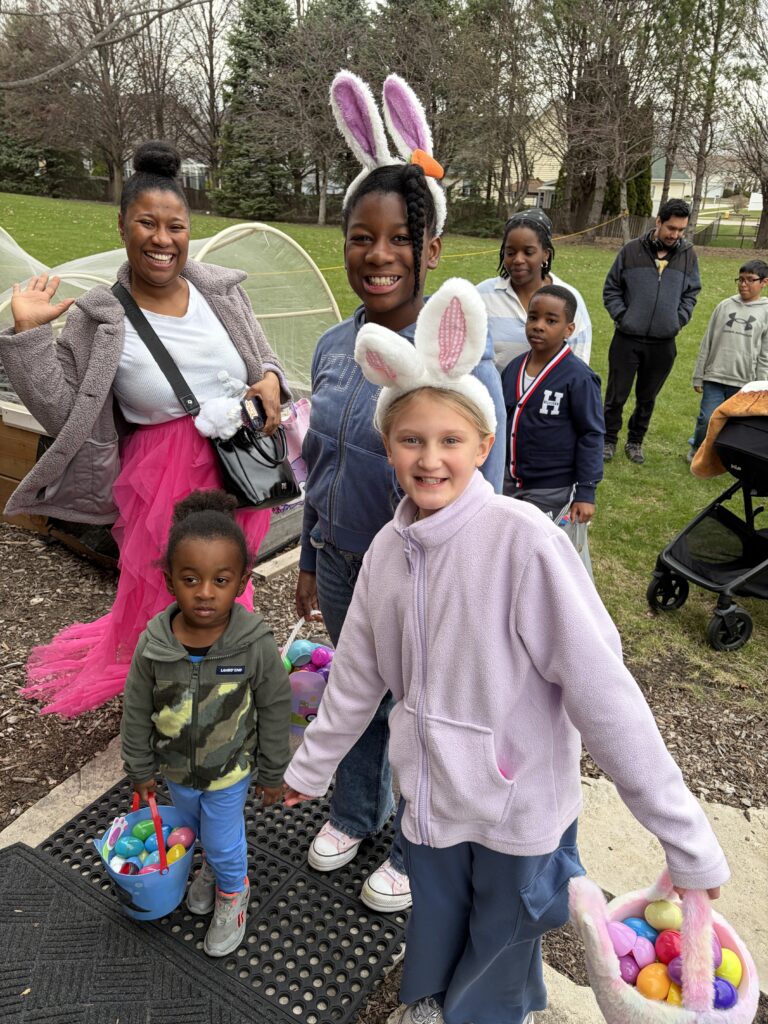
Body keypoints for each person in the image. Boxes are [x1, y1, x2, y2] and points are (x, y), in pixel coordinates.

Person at [282, 279, 729, 1024]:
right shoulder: (390, 551)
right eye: (410, 439)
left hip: (515, 810)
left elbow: (604, 694)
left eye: (450, 440)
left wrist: (685, 838)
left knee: (505, 933)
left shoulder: (525, 547)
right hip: (429, 803)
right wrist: (312, 765)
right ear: (386, 444)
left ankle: (490, 1011)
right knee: (437, 914)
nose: (430, 459)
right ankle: (431, 998)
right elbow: (358, 673)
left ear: (484, 444)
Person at [294, 70, 506, 915]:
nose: (377, 255)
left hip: (432, 581)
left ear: (433, 249)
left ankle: (426, 839)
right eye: (359, 236)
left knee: (428, 710)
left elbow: (476, 496)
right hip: (349, 563)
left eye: (396, 239)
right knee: (356, 692)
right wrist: (312, 557)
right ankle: (355, 809)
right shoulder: (336, 348)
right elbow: (323, 461)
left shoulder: (458, 358)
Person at [0, 140, 289, 717]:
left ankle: (231, 680)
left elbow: (261, 358)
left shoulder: (219, 291)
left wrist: (274, 380)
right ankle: (182, 704)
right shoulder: (101, 317)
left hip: (237, 463)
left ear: (190, 230)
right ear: (123, 225)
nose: (162, 239)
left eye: (175, 225)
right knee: (175, 589)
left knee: (229, 579)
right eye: (147, 223)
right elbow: (66, 411)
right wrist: (29, 335)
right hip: (163, 478)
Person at [121, 490, 290, 957]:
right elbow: (136, 709)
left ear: (241, 582)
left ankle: (233, 893)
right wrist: (139, 766)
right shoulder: (154, 645)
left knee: (222, 836)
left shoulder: (252, 643)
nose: (205, 592)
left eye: (220, 579)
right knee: (196, 831)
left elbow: (275, 705)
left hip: (229, 771)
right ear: (169, 580)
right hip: (177, 771)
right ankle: (212, 870)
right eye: (191, 579)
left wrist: (273, 771)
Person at [502, 285, 603, 576]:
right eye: (533, 318)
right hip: (509, 481)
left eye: (550, 320)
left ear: (569, 328)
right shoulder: (512, 368)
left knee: (540, 553)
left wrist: (586, 491)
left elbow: (591, 434)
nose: (538, 326)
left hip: (550, 486)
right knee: (508, 545)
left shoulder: (578, 378)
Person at [602, 198, 701, 465]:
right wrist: (623, 317)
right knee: (616, 395)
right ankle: (608, 439)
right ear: (658, 221)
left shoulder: (688, 255)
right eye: (671, 228)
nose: (675, 235)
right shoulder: (631, 251)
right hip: (627, 339)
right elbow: (611, 288)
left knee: (647, 398)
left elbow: (692, 293)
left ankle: (635, 441)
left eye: (681, 230)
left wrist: (678, 320)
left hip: (663, 343)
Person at [476, 207, 592, 369]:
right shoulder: (482, 296)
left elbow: (579, 363)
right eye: (510, 253)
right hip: (493, 394)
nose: (518, 259)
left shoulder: (569, 299)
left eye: (528, 252)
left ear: (546, 254)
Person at [688, 258, 768, 461]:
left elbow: (765, 354)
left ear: (764, 282)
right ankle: (697, 449)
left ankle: (724, 456)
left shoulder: (766, 312)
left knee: (734, 423)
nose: (743, 284)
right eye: (740, 279)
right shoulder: (725, 306)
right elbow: (708, 341)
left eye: (750, 280)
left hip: (744, 382)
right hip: (715, 376)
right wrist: (699, 375)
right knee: (707, 418)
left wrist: (761, 386)